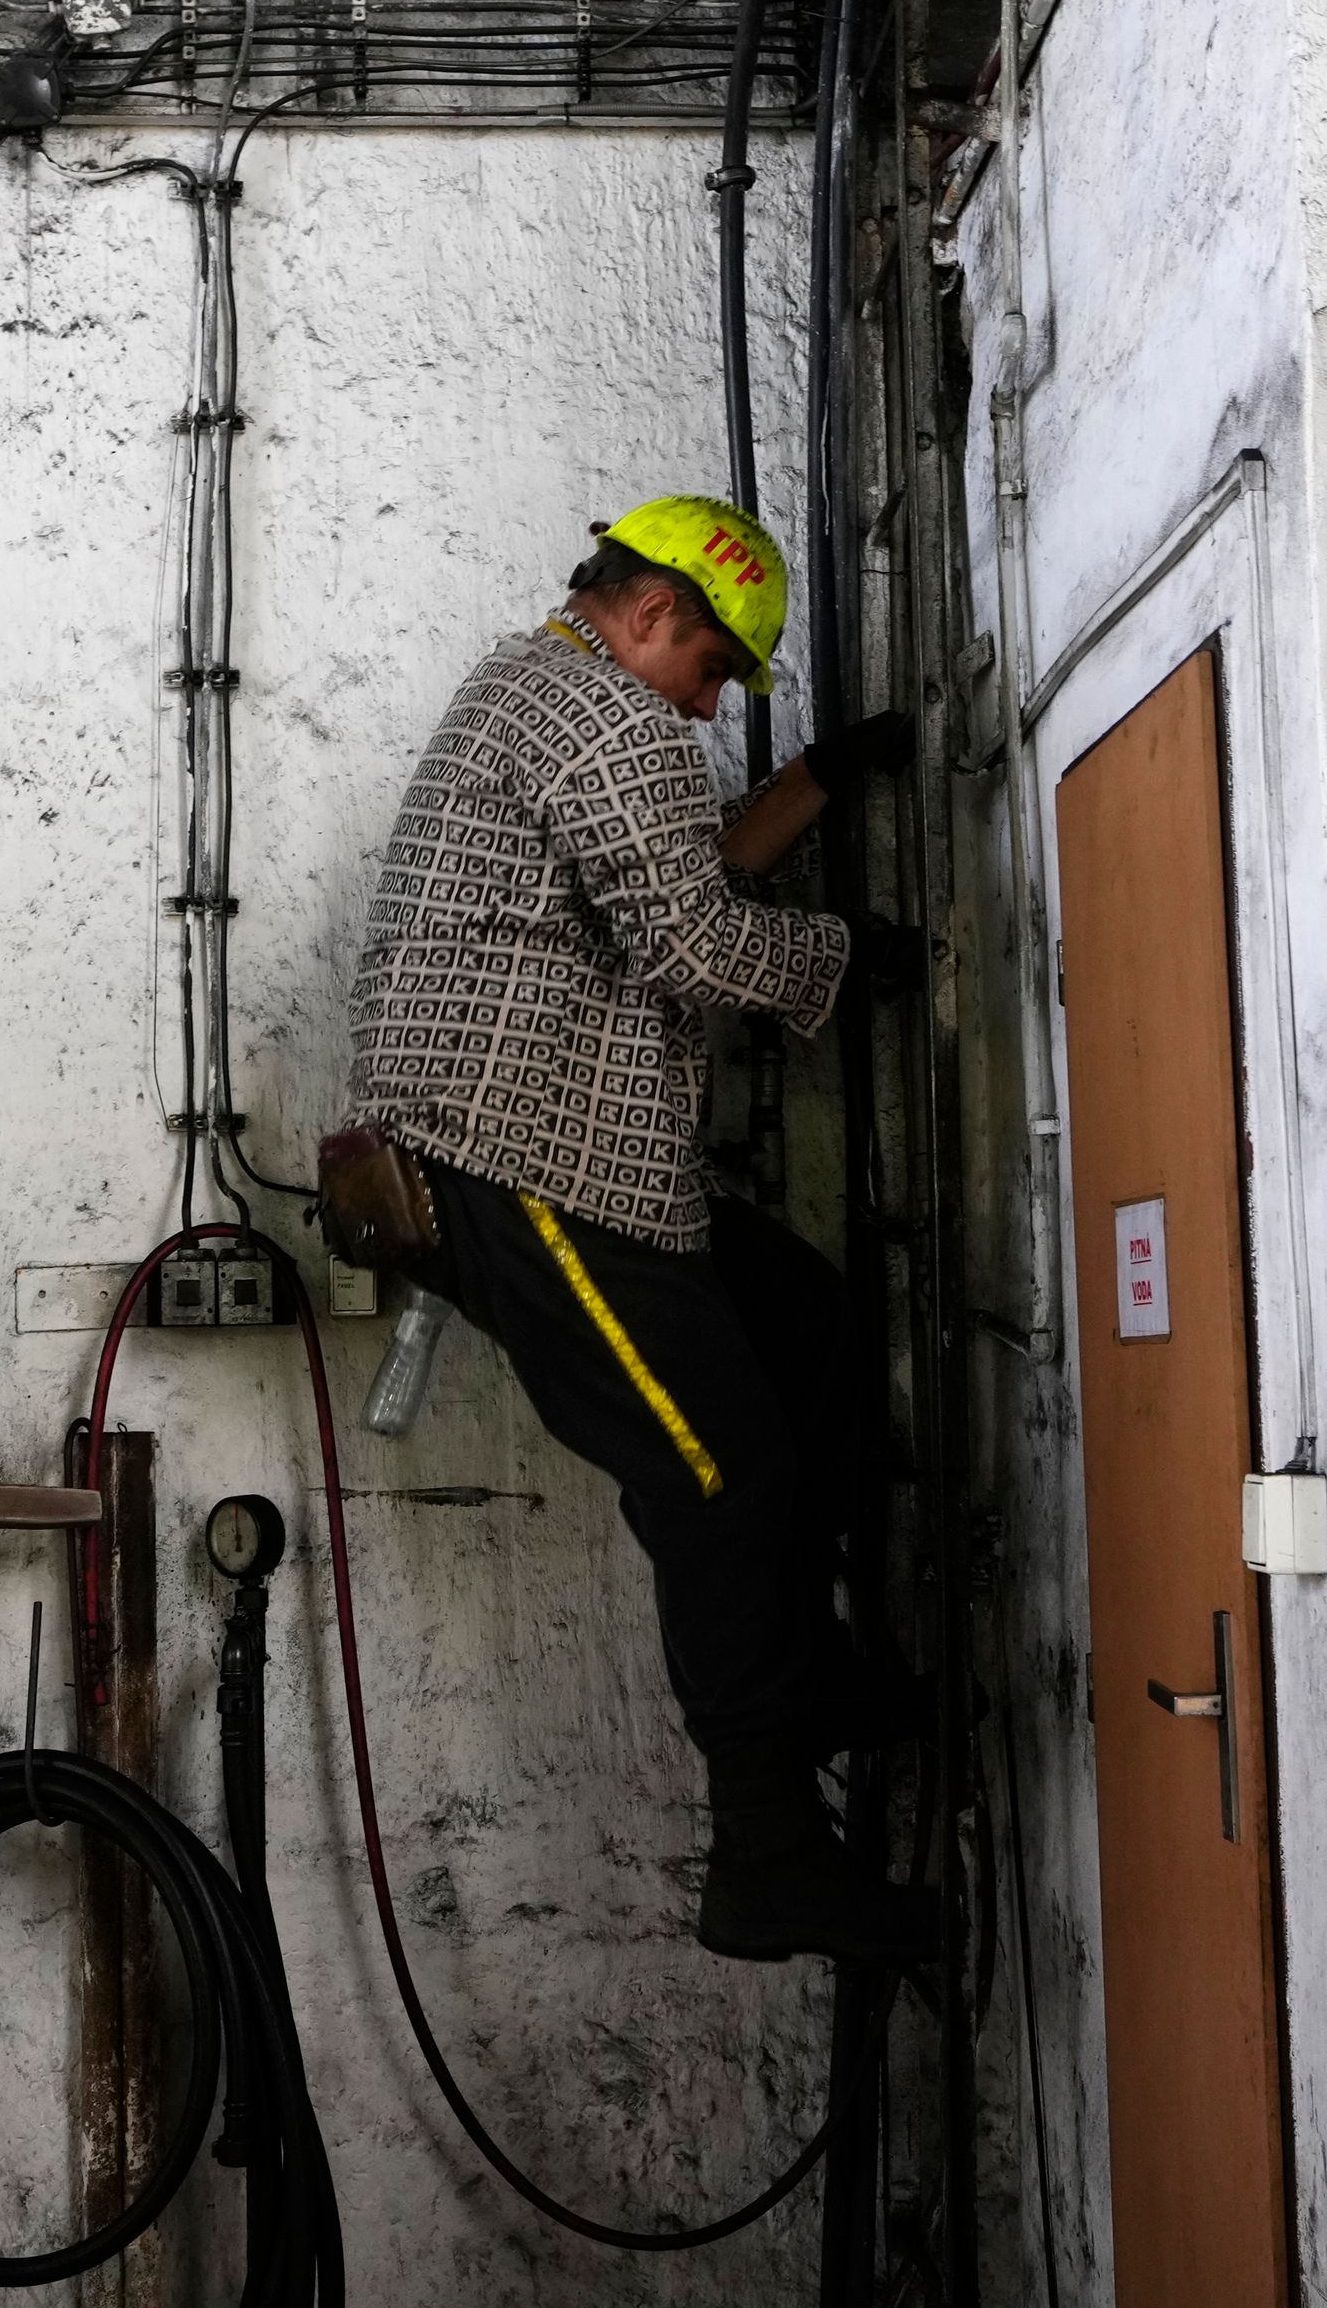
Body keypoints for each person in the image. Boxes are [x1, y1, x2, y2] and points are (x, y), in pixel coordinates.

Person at [340, 494, 933, 1966]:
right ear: (658, 612)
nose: (714, 699)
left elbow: (682, 876)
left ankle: (824, 1677)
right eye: (718, 667)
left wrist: (818, 781)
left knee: (805, 1329)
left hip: (575, 1162)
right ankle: (772, 1856)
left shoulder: (548, 693)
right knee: (717, 1480)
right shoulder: (603, 717)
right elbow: (688, 939)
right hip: (516, 1155)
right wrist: (853, 963)